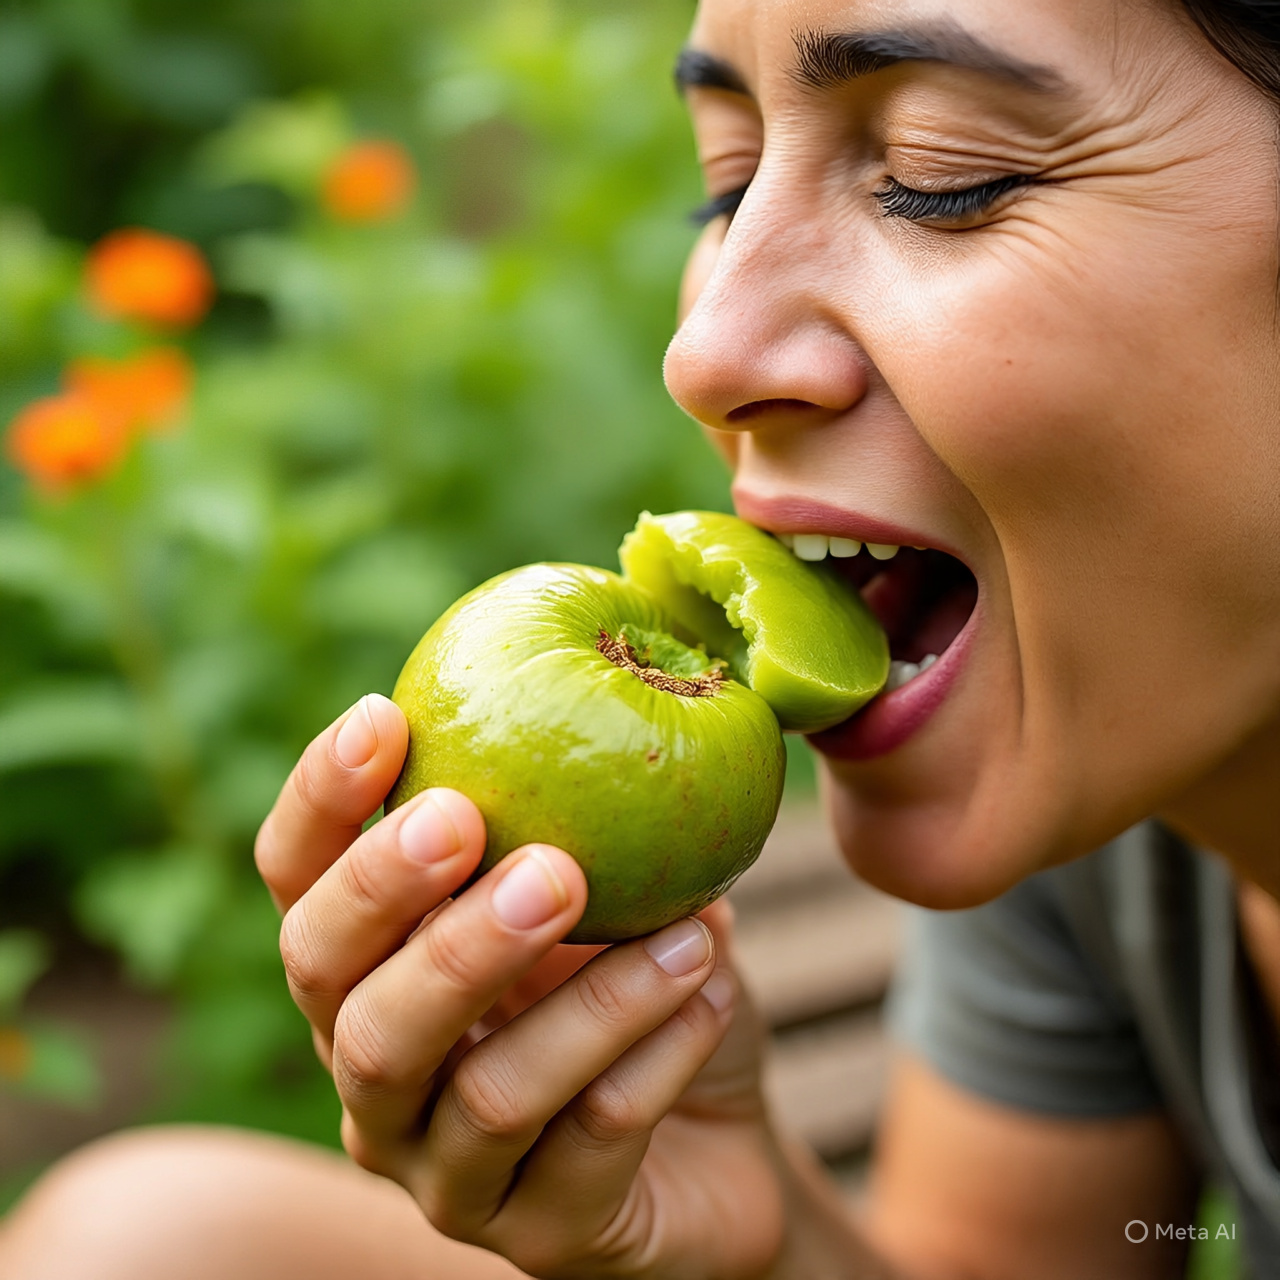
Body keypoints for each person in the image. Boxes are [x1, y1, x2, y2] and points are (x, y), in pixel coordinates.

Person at [4, 0, 1279, 1275]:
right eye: (723, 188)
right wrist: (750, 1255)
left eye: (945, 177)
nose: (702, 347)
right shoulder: (1095, 759)